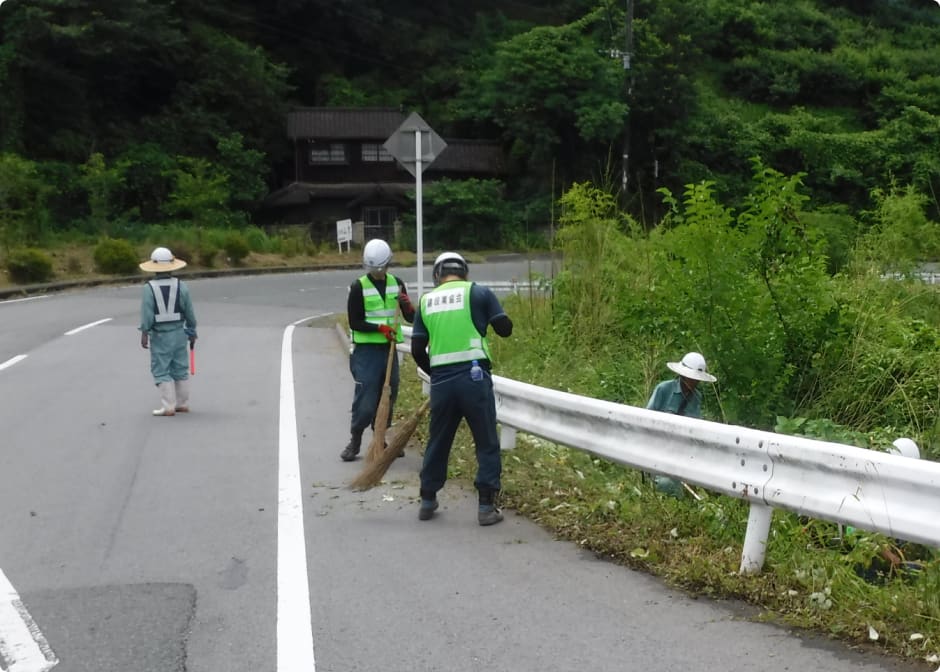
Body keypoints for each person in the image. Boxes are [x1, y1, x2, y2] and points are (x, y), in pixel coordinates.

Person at [410, 251, 513, 526]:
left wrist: (436, 374)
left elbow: (417, 349)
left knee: (439, 440)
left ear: (437, 275)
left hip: (442, 382)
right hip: (474, 378)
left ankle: (428, 498)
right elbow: (505, 329)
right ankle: (486, 507)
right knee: (486, 441)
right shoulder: (478, 293)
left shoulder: (426, 302)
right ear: (465, 272)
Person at [341, 238, 416, 461]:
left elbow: (410, 317)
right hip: (366, 352)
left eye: (380, 268)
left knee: (388, 395)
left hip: (390, 350)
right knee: (365, 399)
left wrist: (408, 304)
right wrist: (379, 328)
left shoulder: (397, 283)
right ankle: (355, 441)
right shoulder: (358, 287)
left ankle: (380, 438)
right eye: (373, 269)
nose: (377, 272)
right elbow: (355, 322)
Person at [645, 352, 717, 497]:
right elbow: (646, 420)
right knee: (668, 485)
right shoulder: (664, 389)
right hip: (658, 450)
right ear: (683, 376)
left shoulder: (696, 398)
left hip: (682, 453)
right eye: (691, 378)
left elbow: (696, 428)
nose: (694, 382)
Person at [139, 246, 197, 416]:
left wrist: (144, 332)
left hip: (160, 335)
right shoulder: (182, 286)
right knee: (180, 368)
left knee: (161, 369)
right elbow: (189, 312)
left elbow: (147, 314)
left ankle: (168, 406)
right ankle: (183, 403)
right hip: (180, 332)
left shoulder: (149, 288)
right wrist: (192, 331)